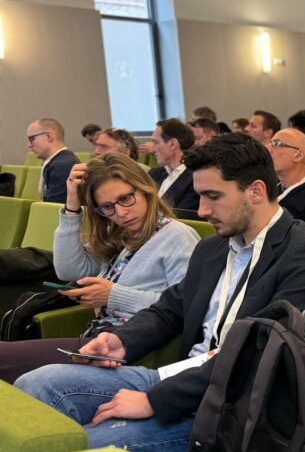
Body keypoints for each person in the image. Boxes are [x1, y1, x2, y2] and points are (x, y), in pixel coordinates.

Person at [15, 134, 305, 452]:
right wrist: (121, 341)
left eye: (213, 196)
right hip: (180, 377)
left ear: (256, 191)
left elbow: (260, 355)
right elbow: (170, 309)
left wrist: (156, 401)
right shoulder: (213, 248)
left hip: (231, 407)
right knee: (35, 383)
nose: (202, 210)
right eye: (200, 196)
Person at [0, 155, 199, 383]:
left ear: (145, 189)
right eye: (107, 207)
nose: (120, 213)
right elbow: (68, 270)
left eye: (125, 198)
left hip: (129, 344)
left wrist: (112, 295)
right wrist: (72, 207)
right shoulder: (124, 235)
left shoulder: (177, 236)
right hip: (98, 338)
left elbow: (186, 307)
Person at [148, 118, 200, 211]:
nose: (152, 150)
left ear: (173, 144)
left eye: (156, 142)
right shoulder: (153, 174)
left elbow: (181, 216)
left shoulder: (195, 179)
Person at [27, 117, 80, 203]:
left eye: (32, 139)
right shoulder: (60, 161)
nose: (29, 145)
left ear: (49, 136)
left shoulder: (61, 166)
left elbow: (54, 208)